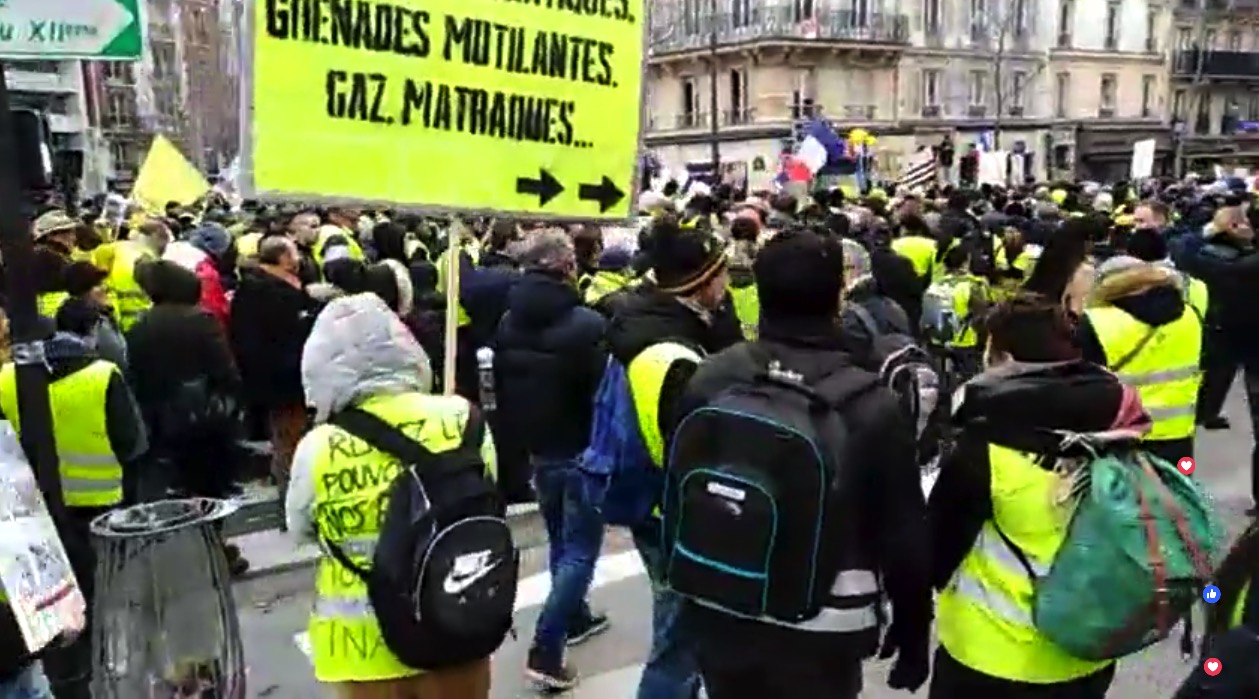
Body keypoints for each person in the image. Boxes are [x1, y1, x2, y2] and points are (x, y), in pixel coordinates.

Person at [673, 229, 931, 698]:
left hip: (723, 599)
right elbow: (902, 534)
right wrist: (914, 630)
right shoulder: (872, 403)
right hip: (824, 621)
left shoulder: (711, 376)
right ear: (838, 295)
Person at [927, 293, 1151, 699]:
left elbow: (937, 549)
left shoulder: (985, 445)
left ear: (1002, 354)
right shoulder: (1121, 424)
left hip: (991, 651)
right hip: (1086, 646)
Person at [286, 293, 496, 698]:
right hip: (456, 622)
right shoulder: (463, 418)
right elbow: (489, 499)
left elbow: (301, 530)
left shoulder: (318, 446)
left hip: (363, 648)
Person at [606, 214, 743, 699]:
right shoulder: (673, 356)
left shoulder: (652, 321)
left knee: (682, 634)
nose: (729, 281)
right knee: (679, 644)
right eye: (722, 273)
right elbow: (695, 448)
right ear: (701, 283)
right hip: (672, 513)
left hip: (654, 504)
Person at [0, 313, 146, 699]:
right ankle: (90, 666)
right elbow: (131, 442)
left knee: (49, 600)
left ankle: (65, 671)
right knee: (94, 595)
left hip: (34, 514)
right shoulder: (101, 374)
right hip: (100, 507)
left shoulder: (5, 381)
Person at [492, 231, 609, 689]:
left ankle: (574, 614)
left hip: (538, 449)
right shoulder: (587, 324)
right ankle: (546, 647)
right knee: (580, 549)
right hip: (580, 451)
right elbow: (604, 397)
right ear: (565, 267)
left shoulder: (507, 322)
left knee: (562, 538)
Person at [1079, 257, 1202, 465]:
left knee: (1122, 495)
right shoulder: (1190, 315)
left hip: (1119, 439)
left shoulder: (1095, 322)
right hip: (1178, 436)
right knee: (1180, 491)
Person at [229, 235, 318, 509]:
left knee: (288, 440)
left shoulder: (253, 288)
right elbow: (282, 339)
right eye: (294, 253)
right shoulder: (270, 293)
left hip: (276, 381)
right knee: (291, 443)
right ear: (283, 259)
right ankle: (295, 503)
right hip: (285, 383)